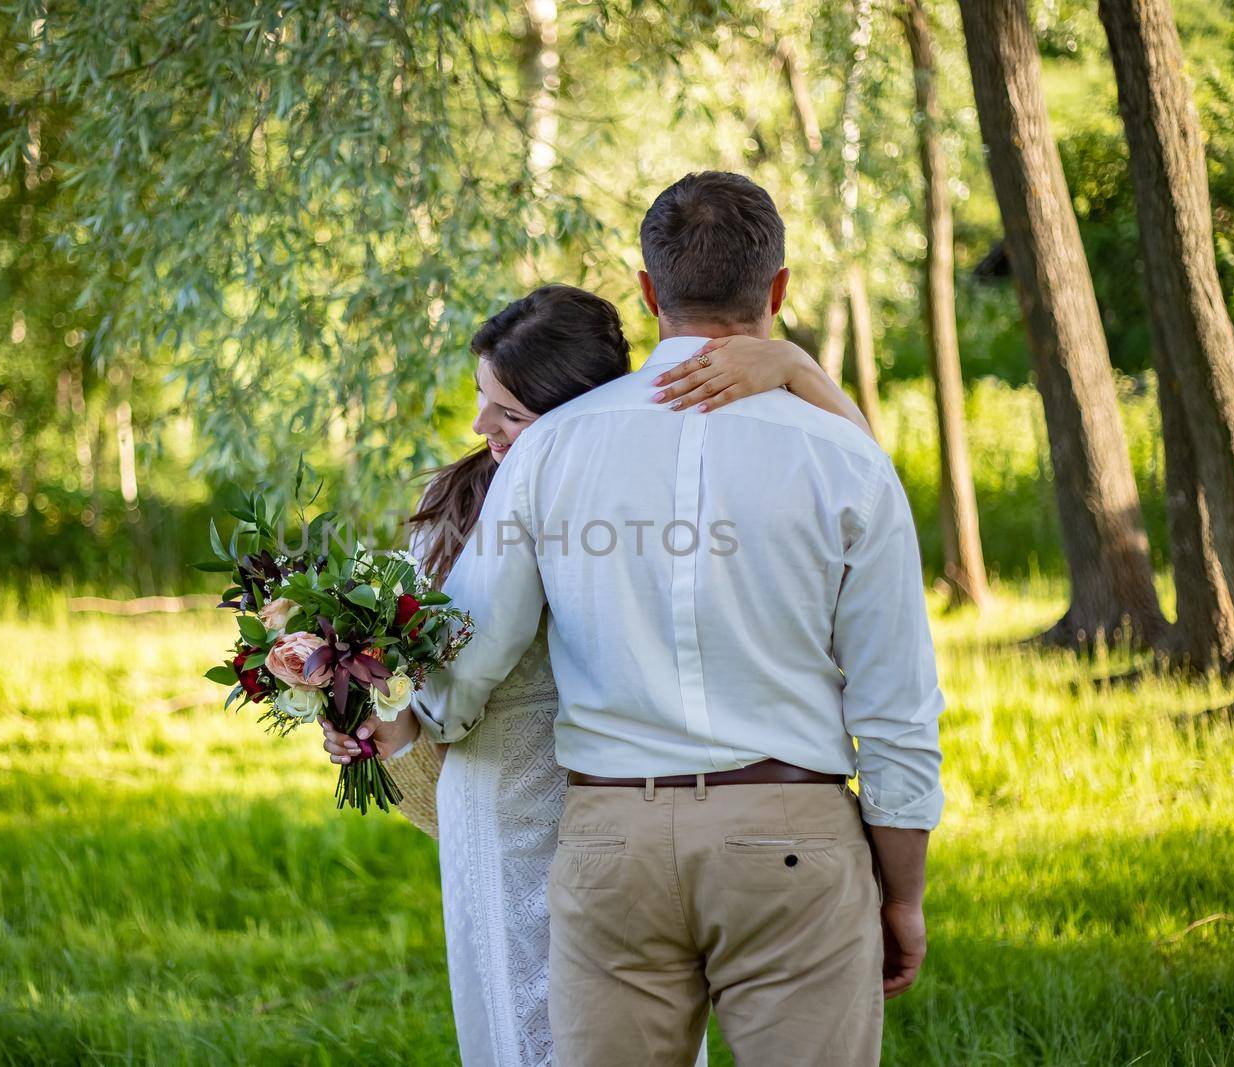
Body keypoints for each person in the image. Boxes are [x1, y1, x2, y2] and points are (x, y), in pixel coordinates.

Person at [343, 171, 944, 1066]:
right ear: (776, 290)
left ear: (649, 291)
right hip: (794, 840)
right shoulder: (844, 457)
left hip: (610, 846)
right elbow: (897, 710)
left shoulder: (550, 447)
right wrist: (901, 895)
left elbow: (471, 646)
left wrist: (409, 719)